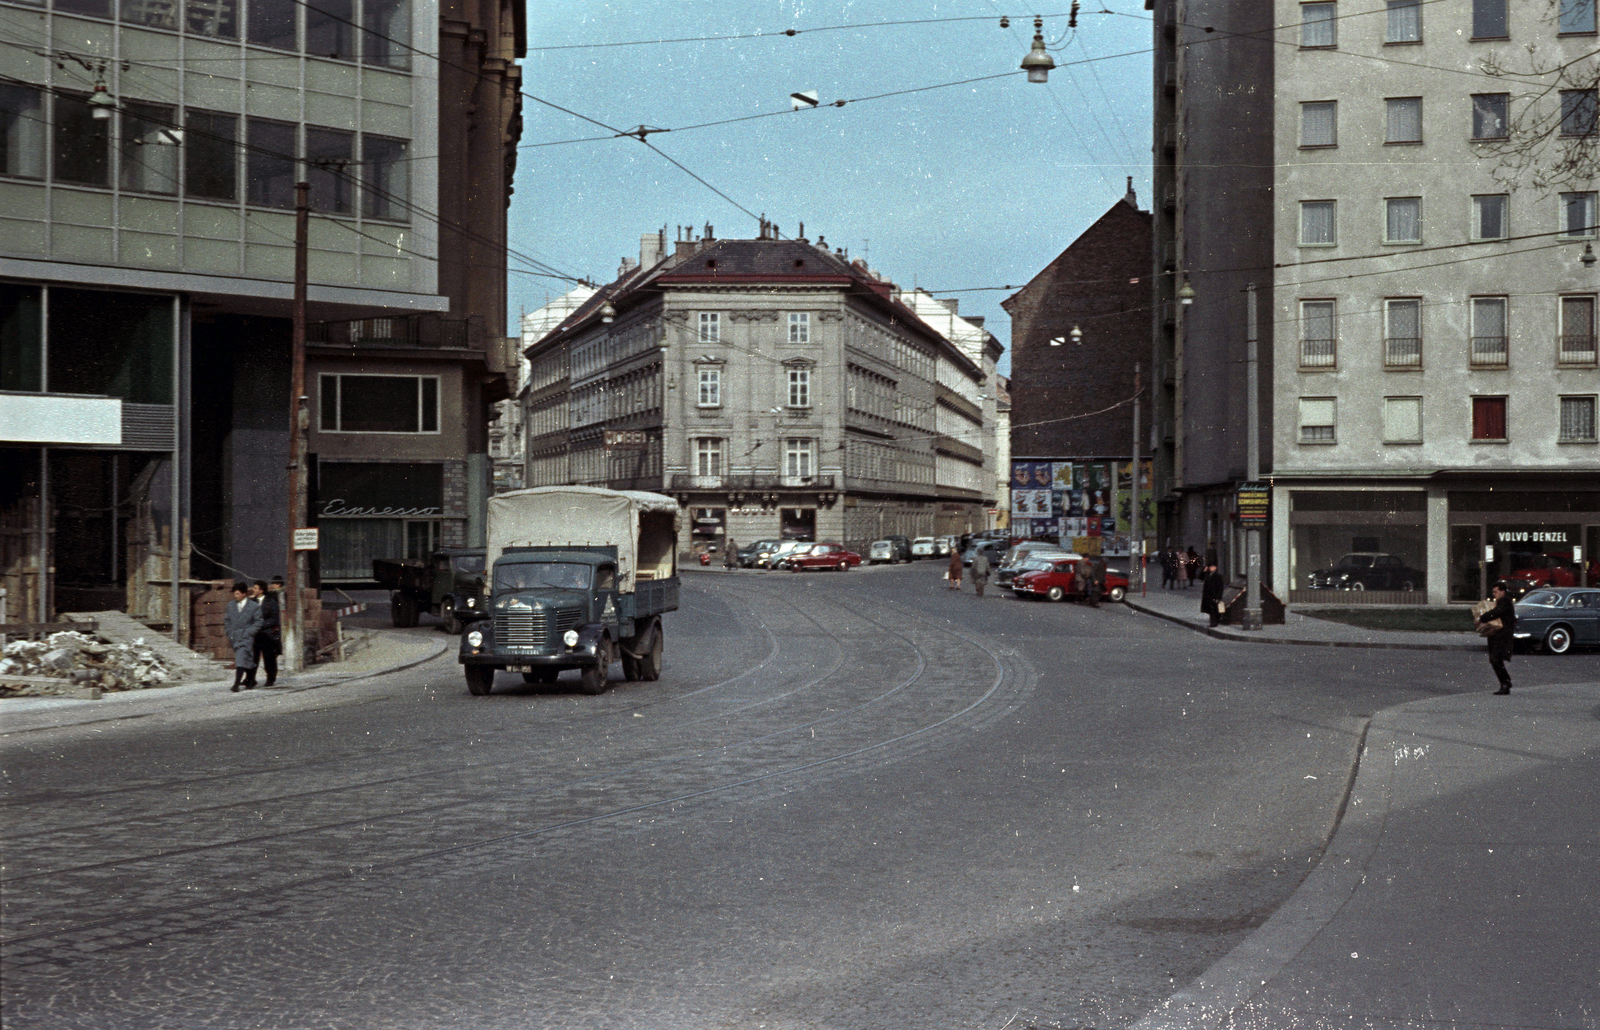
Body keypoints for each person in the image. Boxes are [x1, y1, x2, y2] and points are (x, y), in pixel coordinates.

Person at [1479, 581, 1517, 695]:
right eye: (1493, 592)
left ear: (1502, 592)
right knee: (1496, 660)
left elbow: (1495, 613)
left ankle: (1505, 684)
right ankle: (1506, 682)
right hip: (1497, 635)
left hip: (1502, 635)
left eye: (1496, 592)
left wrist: (1483, 618)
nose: (1494, 594)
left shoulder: (1505, 603)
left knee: (1495, 659)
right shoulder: (1500, 602)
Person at [225, 582, 263, 691]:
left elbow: (258, 621)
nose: (235, 595)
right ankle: (251, 679)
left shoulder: (254, 606)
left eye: (237, 593)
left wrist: (249, 632)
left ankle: (236, 684)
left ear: (244, 594)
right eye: (234, 593)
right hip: (234, 637)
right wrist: (229, 632)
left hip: (247, 637)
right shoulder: (231, 605)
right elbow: (227, 620)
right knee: (247, 659)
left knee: (241, 658)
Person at [250, 579, 283, 687]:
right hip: (254, 634)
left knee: (269, 657)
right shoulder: (251, 603)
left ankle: (270, 678)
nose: (253, 590)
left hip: (267, 634)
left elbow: (274, 619)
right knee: (252, 657)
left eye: (255, 588)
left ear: (261, 590)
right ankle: (250, 679)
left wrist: (261, 624)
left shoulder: (271, 602)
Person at [1201, 561, 1226, 627]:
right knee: (1210, 609)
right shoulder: (1208, 574)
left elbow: (1220, 587)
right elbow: (1200, 577)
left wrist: (1218, 597)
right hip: (1208, 595)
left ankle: (1214, 622)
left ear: (1215, 568)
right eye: (1210, 567)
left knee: (1214, 609)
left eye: (1212, 567)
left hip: (1214, 595)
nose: (1210, 568)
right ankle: (1214, 621)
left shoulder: (1218, 576)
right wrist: (1204, 570)